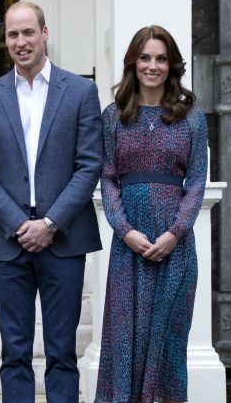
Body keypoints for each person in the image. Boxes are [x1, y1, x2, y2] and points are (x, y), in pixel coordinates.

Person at [0, 1, 103, 403]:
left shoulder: (80, 91)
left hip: (64, 240)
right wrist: (17, 223)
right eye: (13, 34)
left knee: (63, 353)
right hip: (8, 242)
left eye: (29, 32)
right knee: (14, 354)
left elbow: (89, 165)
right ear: (5, 40)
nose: (21, 41)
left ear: (45, 34)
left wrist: (50, 224)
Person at [94, 26, 207, 403]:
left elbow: (196, 181)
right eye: (145, 57)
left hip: (175, 248)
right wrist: (124, 229)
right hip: (129, 247)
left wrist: (175, 232)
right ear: (133, 62)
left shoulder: (191, 115)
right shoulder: (114, 116)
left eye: (160, 58)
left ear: (172, 64)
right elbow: (108, 178)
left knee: (168, 342)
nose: (153, 66)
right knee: (125, 340)